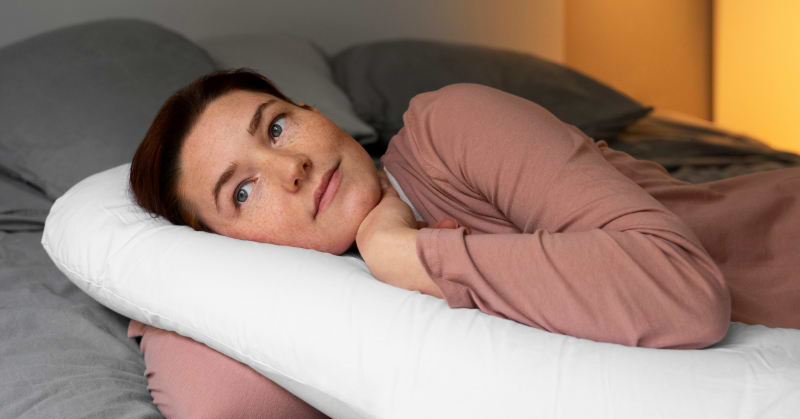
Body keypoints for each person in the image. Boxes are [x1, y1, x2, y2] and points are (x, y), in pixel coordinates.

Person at [131, 68, 800, 349]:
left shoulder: (447, 127)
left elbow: (681, 291)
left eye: (277, 127)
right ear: (224, 244)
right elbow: (223, 418)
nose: (291, 167)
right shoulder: (321, 297)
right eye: (242, 192)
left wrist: (408, 252)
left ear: (316, 113)